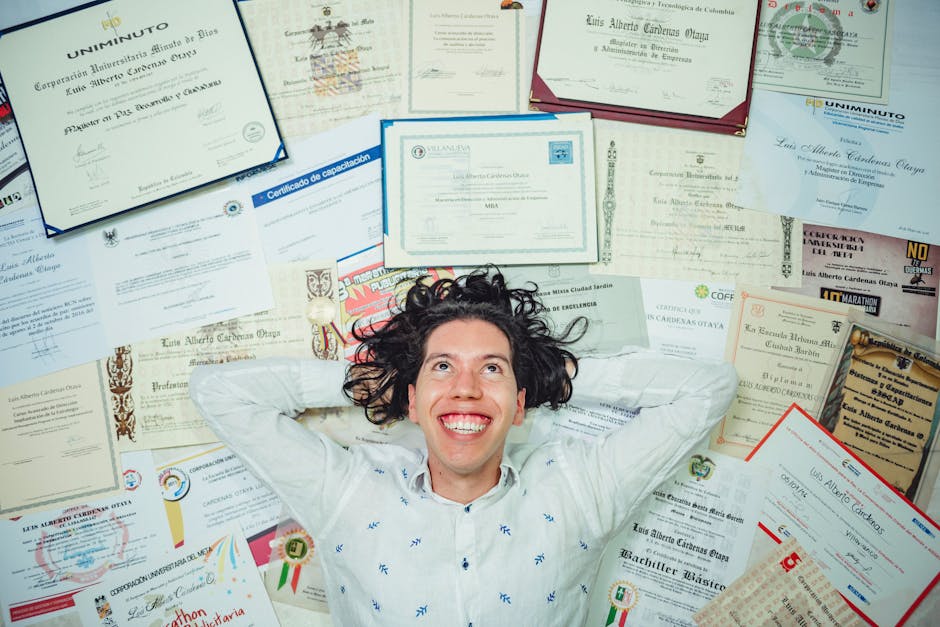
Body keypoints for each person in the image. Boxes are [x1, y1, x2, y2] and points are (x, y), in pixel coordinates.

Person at [189, 267, 737, 626]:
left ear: (521, 405)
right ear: (410, 398)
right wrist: (374, 383)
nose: (467, 388)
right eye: (443, 367)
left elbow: (708, 388)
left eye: (491, 370)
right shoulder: (348, 494)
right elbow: (219, 392)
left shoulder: (578, 491)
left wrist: (548, 375)